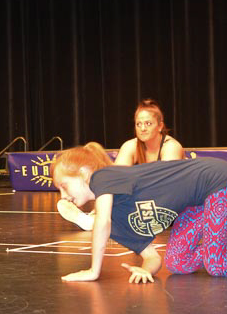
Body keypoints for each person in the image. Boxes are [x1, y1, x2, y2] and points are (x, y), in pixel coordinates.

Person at [51, 143, 227, 284]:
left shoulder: (103, 177)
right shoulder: (117, 224)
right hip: (195, 203)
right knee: (177, 262)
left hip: (215, 182)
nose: (63, 196)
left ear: (84, 173)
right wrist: (146, 269)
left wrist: (94, 270)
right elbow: (152, 256)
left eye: (64, 186)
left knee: (218, 265)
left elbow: (101, 222)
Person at [56, 99, 185, 232]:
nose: (142, 128)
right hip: (150, 206)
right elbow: (114, 181)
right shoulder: (130, 146)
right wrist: (100, 208)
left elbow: (164, 186)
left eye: (148, 123)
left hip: (176, 205)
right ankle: (95, 218)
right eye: (138, 124)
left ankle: (102, 220)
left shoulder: (171, 146)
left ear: (160, 126)